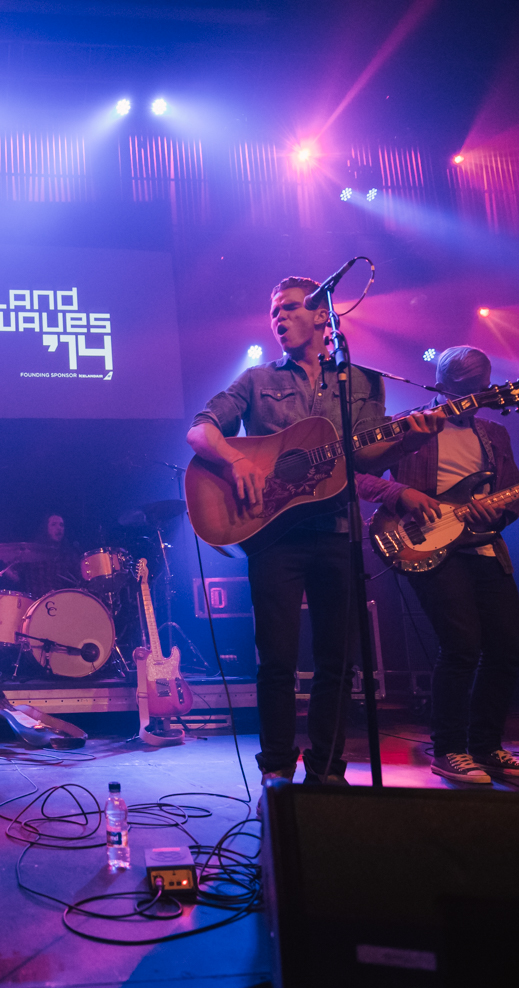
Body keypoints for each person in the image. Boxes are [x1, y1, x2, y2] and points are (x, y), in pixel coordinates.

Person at [186, 276, 445, 790]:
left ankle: (327, 769)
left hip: (338, 530)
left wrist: (406, 444)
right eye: (273, 312)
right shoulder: (257, 380)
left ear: (323, 316)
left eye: (288, 309)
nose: (277, 318)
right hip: (275, 537)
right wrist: (237, 458)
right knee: (277, 659)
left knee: (338, 661)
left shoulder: (365, 383)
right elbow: (201, 430)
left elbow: (363, 457)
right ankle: (278, 768)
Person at [357, 347, 519, 783]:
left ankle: (487, 747)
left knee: (508, 650)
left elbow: (514, 490)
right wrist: (399, 494)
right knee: (461, 646)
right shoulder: (406, 424)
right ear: (440, 384)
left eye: (478, 390)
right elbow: (358, 475)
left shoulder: (494, 433)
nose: (470, 398)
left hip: (484, 546)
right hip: (425, 544)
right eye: (460, 389)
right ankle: (449, 749)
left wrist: (497, 512)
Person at [1, 512, 83, 598]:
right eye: (53, 525)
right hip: (37, 602)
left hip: (64, 602)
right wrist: (8, 566)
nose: (59, 528)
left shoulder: (69, 554)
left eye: (61, 525)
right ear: (45, 529)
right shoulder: (33, 552)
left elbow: (81, 579)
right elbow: (16, 576)